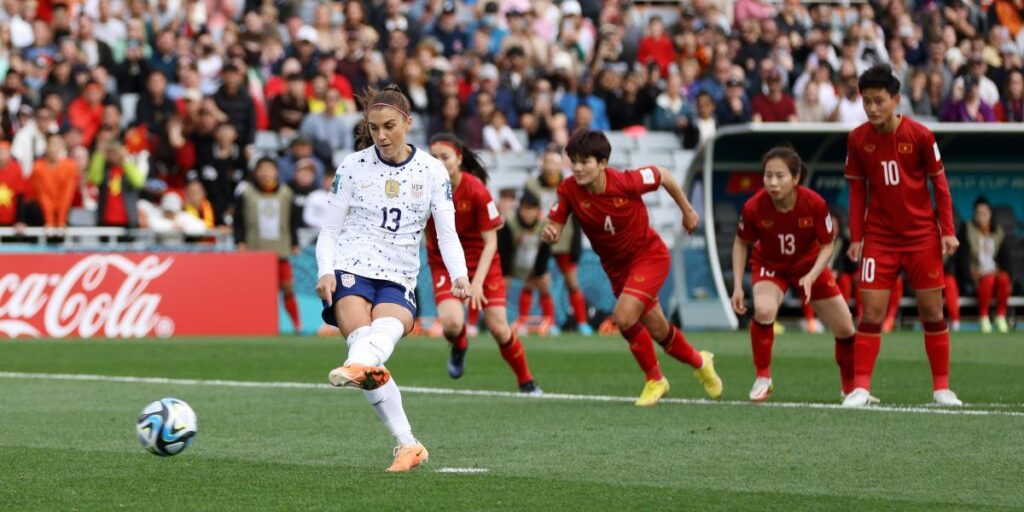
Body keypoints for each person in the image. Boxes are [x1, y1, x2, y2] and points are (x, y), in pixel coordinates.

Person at [314, 85, 470, 472]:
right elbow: (330, 230)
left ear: (408, 123)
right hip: (353, 267)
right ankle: (404, 442)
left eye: (389, 127)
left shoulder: (433, 171)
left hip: (400, 276)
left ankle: (407, 443)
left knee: (374, 348)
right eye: (374, 128)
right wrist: (325, 270)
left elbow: (447, 232)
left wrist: (460, 275)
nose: (381, 136)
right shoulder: (352, 166)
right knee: (365, 345)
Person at [542, 129, 723, 406]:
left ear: (602, 163)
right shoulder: (568, 190)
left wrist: (687, 210)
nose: (577, 168)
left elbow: (663, 174)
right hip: (616, 269)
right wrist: (551, 231)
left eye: (585, 161)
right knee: (660, 331)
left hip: (649, 256)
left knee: (624, 317)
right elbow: (554, 221)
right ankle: (701, 362)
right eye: (574, 161)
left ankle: (655, 380)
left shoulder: (626, 181)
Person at [843, 64, 962, 407]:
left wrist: (948, 231)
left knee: (931, 311)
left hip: (921, 237)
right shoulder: (857, 139)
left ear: (895, 100)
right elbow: (856, 193)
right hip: (879, 239)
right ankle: (861, 387)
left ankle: (941, 388)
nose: (872, 108)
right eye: (866, 102)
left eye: (879, 101)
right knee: (871, 313)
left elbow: (940, 185)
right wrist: (856, 237)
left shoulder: (922, 136)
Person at [730, 147, 857, 402]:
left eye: (780, 176)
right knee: (764, 310)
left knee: (846, 328)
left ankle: (850, 389)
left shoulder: (815, 204)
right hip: (770, 265)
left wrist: (812, 274)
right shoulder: (753, 207)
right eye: (768, 176)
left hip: (808, 266)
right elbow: (741, 243)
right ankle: (763, 377)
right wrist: (737, 286)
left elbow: (827, 245)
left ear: (795, 178)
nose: (773, 182)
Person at [426, 133, 540, 393]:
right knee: (452, 323)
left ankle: (526, 381)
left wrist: (476, 283)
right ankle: (460, 344)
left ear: (459, 159)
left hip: (481, 262)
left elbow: (491, 243)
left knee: (499, 328)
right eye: (434, 157)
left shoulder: (477, 190)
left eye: (445, 156)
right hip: (444, 262)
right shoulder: (423, 189)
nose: (439, 162)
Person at [524, 144, 592, 335]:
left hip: (564, 241)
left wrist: (576, 244)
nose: (551, 167)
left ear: (561, 164)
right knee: (538, 282)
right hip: (540, 243)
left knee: (573, 283)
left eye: (555, 162)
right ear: (542, 164)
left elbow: (578, 216)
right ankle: (548, 323)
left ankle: (582, 322)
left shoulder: (571, 185)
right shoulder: (531, 185)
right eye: (548, 162)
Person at [234, 158, 302, 334]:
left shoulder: (286, 193)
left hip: (281, 249)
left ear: (276, 172)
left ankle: (296, 325)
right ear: (256, 172)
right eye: (262, 169)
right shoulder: (246, 193)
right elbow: (238, 220)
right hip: (255, 250)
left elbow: (293, 221)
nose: (265, 173)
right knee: (257, 291)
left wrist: (295, 243)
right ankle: (256, 325)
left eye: (269, 169)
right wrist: (239, 241)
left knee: (287, 287)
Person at [500, 190, 557, 336]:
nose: (528, 213)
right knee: (501, 286)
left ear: (537, 211)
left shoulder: (544, 225)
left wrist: (539, 271)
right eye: (525, 209)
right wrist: (506, 272)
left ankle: (549, 322)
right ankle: (499, 322)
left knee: (542, 283)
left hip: (533, 263)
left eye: (531, 209)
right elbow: (504, 249)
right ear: (520, 209)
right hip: (512, 262)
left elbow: (545, 250)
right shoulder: (510, 223)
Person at [964, 197, 1011, 333]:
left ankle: (1000, 316)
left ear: (990, 214)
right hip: (977, 275)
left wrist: (1000, 270)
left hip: (993, 272)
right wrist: (970, 275)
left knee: (1004, 278)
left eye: (984, 213)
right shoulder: (967, 229)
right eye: (978, 213)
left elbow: (1006, 260)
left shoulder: (998, 232)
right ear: (974, 215)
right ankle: (983, 317)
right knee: (988, 278)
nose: (981, 216)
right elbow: (963, 259)